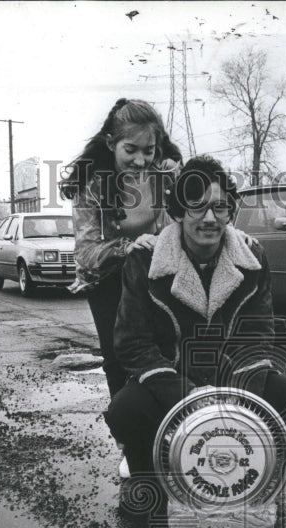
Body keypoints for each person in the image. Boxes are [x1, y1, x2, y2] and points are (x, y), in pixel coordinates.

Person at [105, 155, 286, 512]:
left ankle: (243, 469)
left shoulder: (252, 256)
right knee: (124, 410)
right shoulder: (146, 259)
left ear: (230, 211)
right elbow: (131, 342)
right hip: (169, 379)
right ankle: (146, 470)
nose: (209, 219)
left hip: (231, 377)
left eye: (219, 207)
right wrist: (186, 396)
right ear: (178, 212)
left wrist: (236, 400)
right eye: (197, 207)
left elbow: (259, 333)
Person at [60, 99, 183, 476]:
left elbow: (203, 214)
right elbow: (86, 254)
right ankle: (131, 445)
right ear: (112, 142)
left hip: (159, 273)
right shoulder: (92, 185)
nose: (141, 160)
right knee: (120, 360)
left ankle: (173, 435)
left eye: (150, 150)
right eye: (131, 150)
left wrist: (182, 180)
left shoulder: (166, 173)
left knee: (168, 352)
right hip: (109, 280)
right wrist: (130, 247)